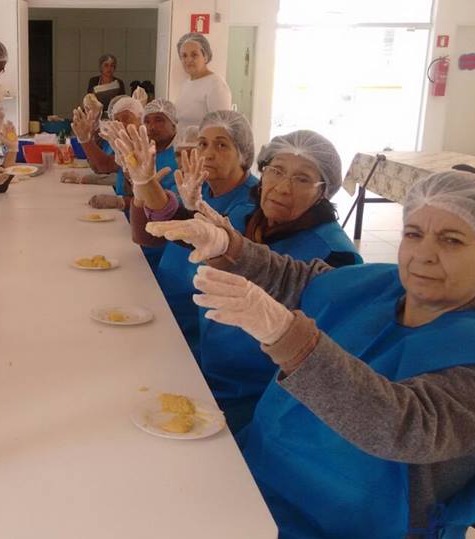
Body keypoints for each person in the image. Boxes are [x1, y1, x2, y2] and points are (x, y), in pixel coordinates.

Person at [151, 170, 475, 538]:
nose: (423, 255)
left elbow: (400, 425)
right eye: (413, 234)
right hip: (265, 471)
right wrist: (229, 246)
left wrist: (289, 337)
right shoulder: (386, 285)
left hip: (344, 524)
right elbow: (302, 280)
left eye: (451, 240)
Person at [148, 128, 361, 430]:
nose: (282, 188)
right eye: (276, 171)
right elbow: (190, 235)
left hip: (264, 400)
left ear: (322, 191)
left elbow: (330, 352)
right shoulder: (245, 217)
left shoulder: (335, 255)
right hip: (208, 369)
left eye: (302, 179)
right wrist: (145, 183)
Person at [119, 110, 259, 360]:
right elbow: (148, 237)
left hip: (193, 328)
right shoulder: (196, 185)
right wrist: (141, 188)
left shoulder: (249, 206)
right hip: (160, 300)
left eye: (222, 145)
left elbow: (191, 231)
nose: (208, 154)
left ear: (244, 154)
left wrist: (148, 184)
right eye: (203, 144)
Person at [174, 33, 232, 129]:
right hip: (183, 143)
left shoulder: (216, 84)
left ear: (205, 56)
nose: (188, 60)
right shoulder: (187, 83)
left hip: (202, 143)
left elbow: (220, 127)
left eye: (194, 55)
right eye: (184, 56)